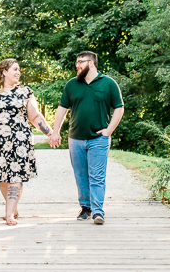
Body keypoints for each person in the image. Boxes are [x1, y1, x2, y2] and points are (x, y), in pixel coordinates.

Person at [0, 58, 53, 226]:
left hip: (20, 142)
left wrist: (50, 132)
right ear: (4, 72)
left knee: (16, 177)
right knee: (3, 179)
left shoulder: (25, 92)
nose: (18, 72)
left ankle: (9, 213)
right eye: (15, 69)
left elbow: (35, 116)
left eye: (19, 70)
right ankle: (13, 206)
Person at [49, 51, 124, 225]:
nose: (77, 65)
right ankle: (85, 208)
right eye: (76, 62)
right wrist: (55, 131)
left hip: (99, 139)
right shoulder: (72, 85)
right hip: (75, 138)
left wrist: (109, 130)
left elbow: (119, 108)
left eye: (80, 62)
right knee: (81, 175)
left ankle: (98, 211)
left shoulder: (108, 83)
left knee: (97, 175)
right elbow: (62, 109)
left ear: (91, 63)